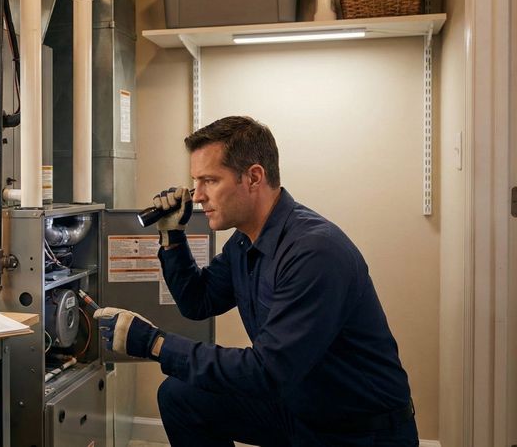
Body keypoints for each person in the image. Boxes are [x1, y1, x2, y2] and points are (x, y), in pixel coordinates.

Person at [94, 116, 418, 447]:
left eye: (210, 181)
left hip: (359, 431)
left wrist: (156, 344)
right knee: (181, 395)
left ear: (253, 177)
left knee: (235, 382)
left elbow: (267, 372)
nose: (198, 196)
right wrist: (172, 236)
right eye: (196, 182)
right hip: (299, 406)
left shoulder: (314, 251)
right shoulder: (244, 242)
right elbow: (198, 302)